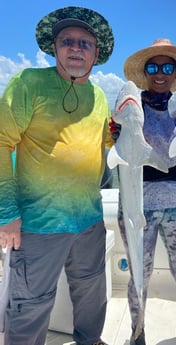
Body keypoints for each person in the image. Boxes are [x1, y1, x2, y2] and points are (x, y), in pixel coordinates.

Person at [0, 6, 114, 345]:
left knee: (93, 292)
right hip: (38, 224)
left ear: (97, 53)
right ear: (55, 47)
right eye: (68, 41)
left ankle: (90, 340)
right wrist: (6, 214)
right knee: (31, 304)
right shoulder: (28, 83)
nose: (76, 48)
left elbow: (114, 142)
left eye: (85, 43)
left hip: (89, 219)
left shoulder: (99, 96)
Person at [110, 38, 176, 345]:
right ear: (145, 71)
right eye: (153, 66)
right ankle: (136, 329)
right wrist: (115, 137)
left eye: (168, 66)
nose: (160, 72)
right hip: (138, 205)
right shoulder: (130, 107)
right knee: (139, 272)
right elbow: (118, 158)